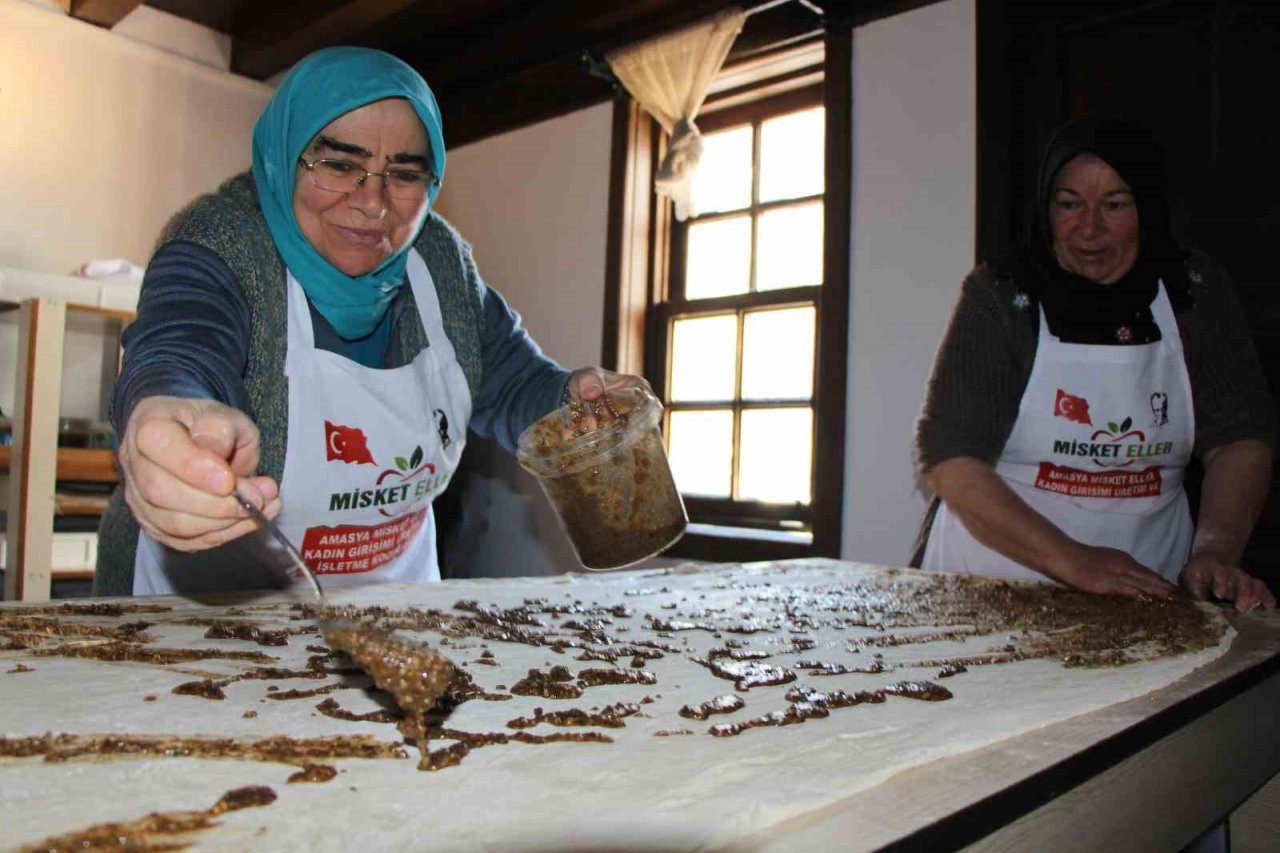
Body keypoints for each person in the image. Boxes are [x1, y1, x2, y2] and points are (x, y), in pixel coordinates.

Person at [94, 47, 647, 596]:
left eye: (404, 173)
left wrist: (578, 404)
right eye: (340, 165)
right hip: (202, 620)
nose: (374, 202)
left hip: (393, 618)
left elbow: (515, 382)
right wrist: (168, 410)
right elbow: (180, 347)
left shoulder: (441, 265)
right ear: (285, 157)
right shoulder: (223, 243)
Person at [913, 115, 1276, 612]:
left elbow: (1239, 438)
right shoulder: (1003, 297)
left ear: (1147, 207)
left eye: (1115, 205)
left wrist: (1216, 550)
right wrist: (1074, 561)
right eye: (1069, 204)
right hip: (995, 580)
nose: (1090, 228)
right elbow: (950, 456)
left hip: (1147, 579)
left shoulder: (1194, 292)